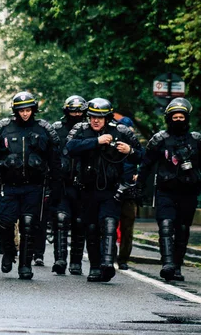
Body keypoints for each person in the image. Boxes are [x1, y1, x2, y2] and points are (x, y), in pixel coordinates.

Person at [0, 91, 61, 280]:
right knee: (5, 223)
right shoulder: (3, 128)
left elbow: (54, 160)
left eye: (28, 110)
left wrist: (56, 185)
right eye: (22, 110)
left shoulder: (44, 129)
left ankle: (25, 265)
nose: (25, 113)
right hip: (9, 185)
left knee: (29, 224)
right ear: (15, 111)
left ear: (33, 110)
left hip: (34, 186)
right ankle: (9, 252)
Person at [66, 98, 142, 282]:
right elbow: (70, 147)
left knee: (108, 224)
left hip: (112, 189)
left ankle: (108, 264)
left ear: (107, 118)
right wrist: (96, 141)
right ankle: (94, 266)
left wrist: (129, 151)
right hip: (88, 189)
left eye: (100, 117)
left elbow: (143, 155)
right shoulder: (81, 130)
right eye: (92, 117)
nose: (96, 120)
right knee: (91, 228)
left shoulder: (121, 131)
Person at [136, 98, 200, 282]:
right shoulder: (159, 140)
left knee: (182, 228)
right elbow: (146, 165)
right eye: (175, 116)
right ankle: (168, 264)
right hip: (165, 191)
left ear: (186, 118)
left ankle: (177, 266)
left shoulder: (196, 140)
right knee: (165, 226)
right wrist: (139, 187)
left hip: (189, 191)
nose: (178, 120)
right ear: (168, 118)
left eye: (181, 116)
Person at [50, 95, 87, 275]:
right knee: (61, 220)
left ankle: (76, 262)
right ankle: (60, 259)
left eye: (79, 111)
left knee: (80, 222)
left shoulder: (89, 130)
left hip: (83, 183)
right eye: (73, 111)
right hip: (62, 182)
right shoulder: (57, 129)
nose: (76, 114)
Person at [116, 116, 138, 271]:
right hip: (111, 190)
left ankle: (123, 259)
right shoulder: (112, 145)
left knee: (127, 227)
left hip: (129, 192)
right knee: (107, 225)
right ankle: (107, 256)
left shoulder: (135, 149)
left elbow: (146, 161)